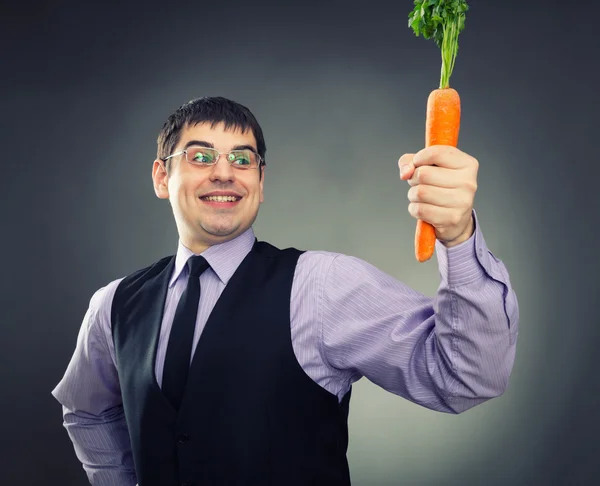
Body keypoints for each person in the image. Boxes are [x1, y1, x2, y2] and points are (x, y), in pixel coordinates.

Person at [52, 96, 519, 486]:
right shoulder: (113, 305)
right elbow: (87, 411)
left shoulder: (322, 287)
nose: (224, 173)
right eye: (200, 156)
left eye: (242, 159)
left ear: (260, 181)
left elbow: (468, 377)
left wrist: (457, 236)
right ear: (161, 177)